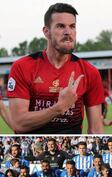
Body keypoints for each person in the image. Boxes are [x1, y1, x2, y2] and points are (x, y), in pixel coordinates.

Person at [7, 3, 104, 134]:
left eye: (72, 26)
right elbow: (18, 123)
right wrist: (59, 107)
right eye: (60, 26)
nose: (68, 32)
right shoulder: (22, 67)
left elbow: (96, 130)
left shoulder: (89, 72)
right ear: (46, 31)